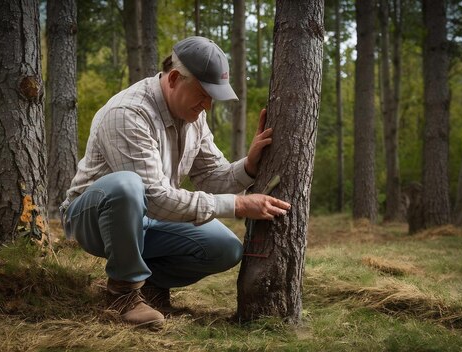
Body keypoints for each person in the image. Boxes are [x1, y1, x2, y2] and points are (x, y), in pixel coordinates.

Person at [60, 36, 291, 328]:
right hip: (92, 218)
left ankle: (149, 285)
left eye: (213, 96)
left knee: (225, 248)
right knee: (127, 186)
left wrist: (248, 165)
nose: (207, 105)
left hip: (151, 216)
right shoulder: (128, 113)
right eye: (203, 93)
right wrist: (239, 204)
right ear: (173, 79)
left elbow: (211, 175)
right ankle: (123, 293)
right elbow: (153, 197)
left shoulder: (193, 117)